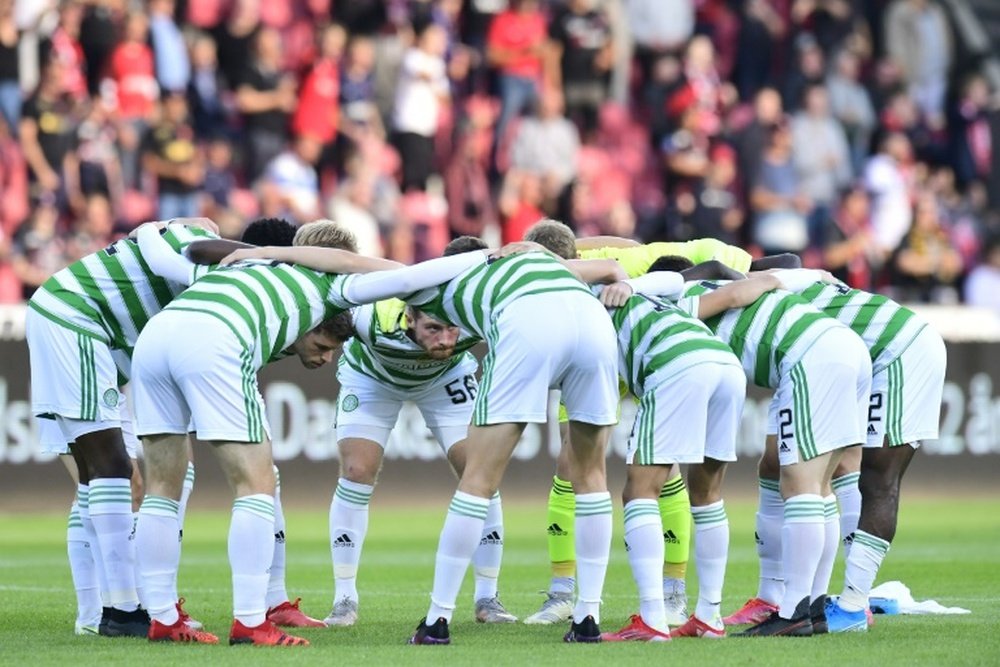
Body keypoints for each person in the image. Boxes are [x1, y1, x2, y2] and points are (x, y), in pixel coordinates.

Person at [130, 236, 502, 646]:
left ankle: (162, 617)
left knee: (162, 487)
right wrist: (488, 256)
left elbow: (166, 259)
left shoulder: (242, 267)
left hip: (156, 337)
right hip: (215, 340)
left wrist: (150, 229)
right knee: (256, 486)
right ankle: (252, 622)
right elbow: (403, 274)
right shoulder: (335, 289)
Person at [519, 220, 781, 627]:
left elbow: (710, 261)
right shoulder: (613, 272)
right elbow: (619, 245)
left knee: (651, 480)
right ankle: (566, 595)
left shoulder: (621, 267)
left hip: (652, 355)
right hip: (691, 359)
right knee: (573, 467)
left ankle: (663, 605)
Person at [25, 217, 222, 639]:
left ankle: (116, 609)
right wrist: (254, 253)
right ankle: (120, 611)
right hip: (76, 323)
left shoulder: (197, 259)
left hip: (105, 347)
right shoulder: (213, 253)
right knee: (112, 470)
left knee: (109, 476)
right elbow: (198, 249)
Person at [662, 257, 873, 637]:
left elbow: (734, 295)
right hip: (847, 348)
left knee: (799, 485)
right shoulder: (735, 286)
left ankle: (793, 611)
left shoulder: (680, 303)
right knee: (821, 487)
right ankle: (814, 605)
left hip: (812, 355)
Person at [325, 236, 516, 628]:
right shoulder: (371, 315)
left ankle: (488, 597)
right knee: (357, 470)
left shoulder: (478, 312)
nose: (445, 339)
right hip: (372, 378)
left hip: (446, 381)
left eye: (451, 330)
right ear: (409, 317)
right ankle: (344, 599)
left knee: (480, 472)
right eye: (432, 328)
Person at [588, 268, 748, 642]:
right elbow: (673, 279)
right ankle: (710, 616)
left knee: (640, 491)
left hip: (677, 363)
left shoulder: (586, 294)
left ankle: (652, 619)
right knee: (707, 493)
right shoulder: (653, 296)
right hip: (725, 365)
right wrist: (630, 283)